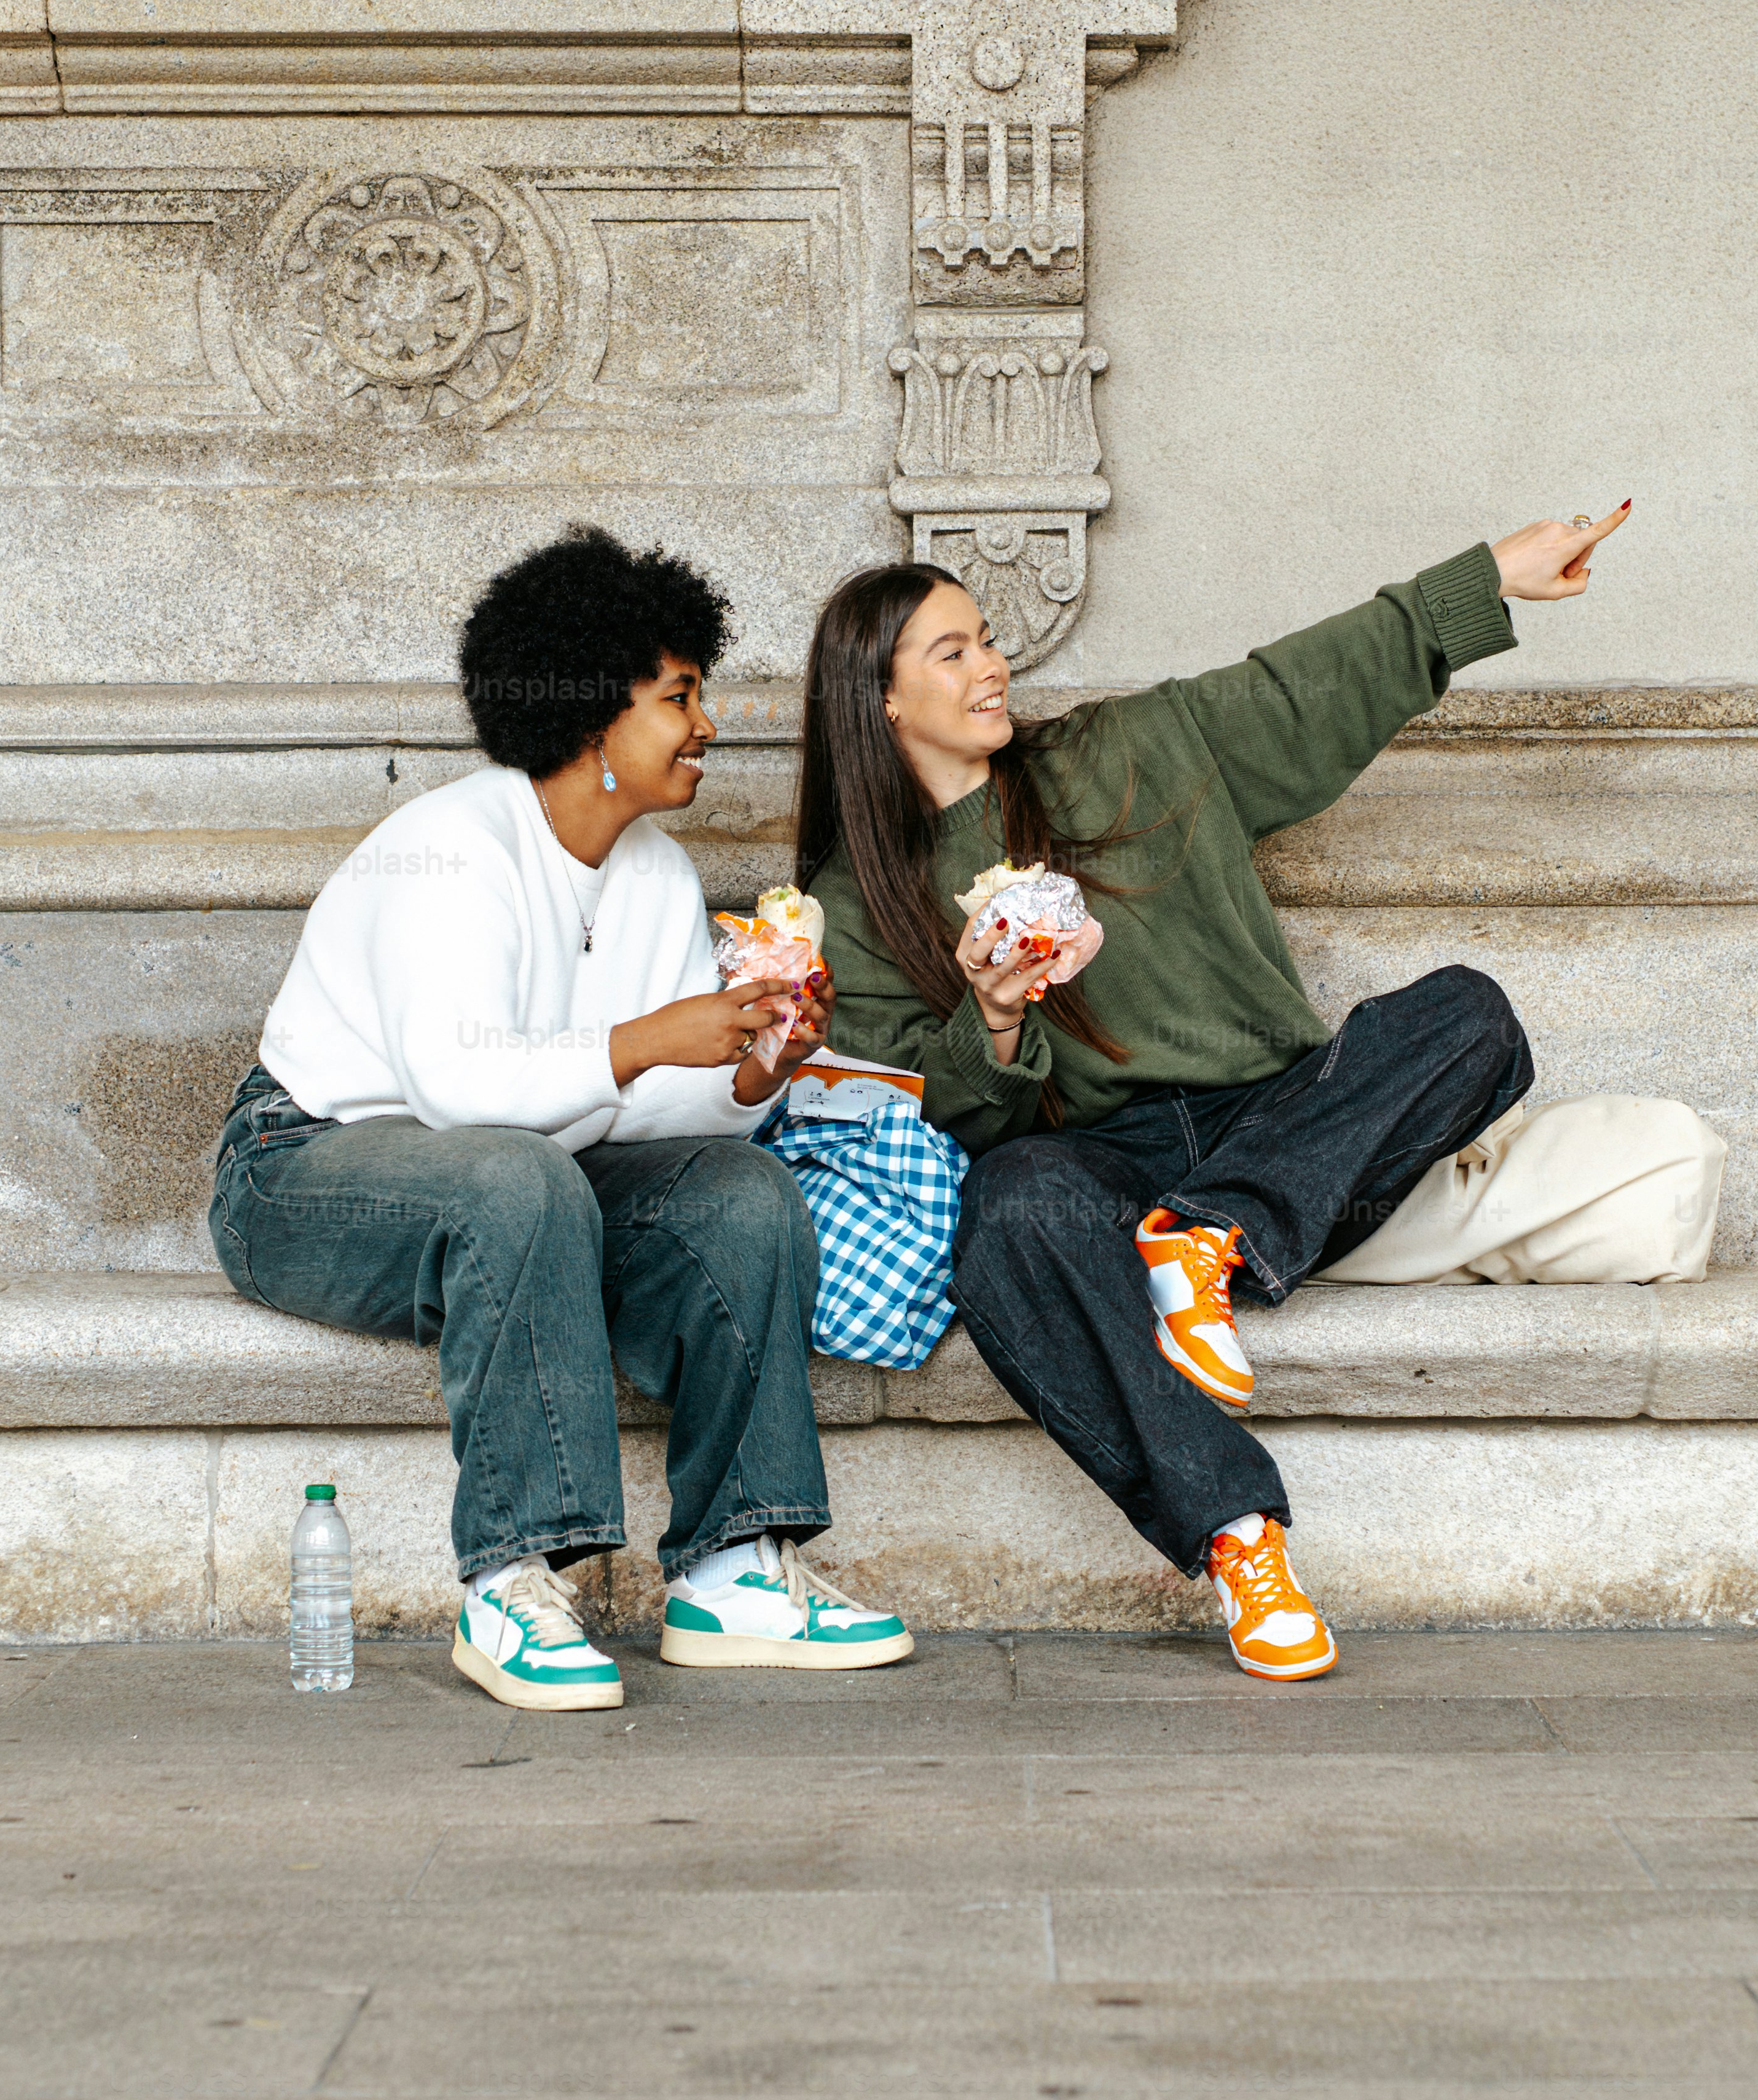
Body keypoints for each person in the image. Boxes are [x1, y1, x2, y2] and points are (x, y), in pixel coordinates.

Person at [796, 511, 1630, 1681]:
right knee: (1011, 1213)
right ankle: (1240, 1539)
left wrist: (1485, 579)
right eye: (953, 650)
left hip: (1281, 1121)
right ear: (880, 699)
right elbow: (918, 1116)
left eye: (985, 638)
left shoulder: (1127, 748)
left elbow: (1302, 687)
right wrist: (991, 1014)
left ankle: (1213, 1234)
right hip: (1104, 1157)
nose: (991, 665)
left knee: (1468, 1015)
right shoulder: (853, 904)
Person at [209, 526, 913, 1711]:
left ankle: (733, 1568)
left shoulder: (655, 874)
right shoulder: (448, 848)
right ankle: (511, 1581)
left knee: (739, 1193)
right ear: (593, 716)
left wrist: (753, 1071)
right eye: (678, 696)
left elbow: (653, 1111)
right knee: (516, 1176)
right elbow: (459, 1088)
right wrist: (648, 1036)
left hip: (524, 1179)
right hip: (300, 1169)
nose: (707, 724)